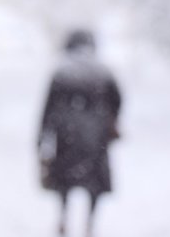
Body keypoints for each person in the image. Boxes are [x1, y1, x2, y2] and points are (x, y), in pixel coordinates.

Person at [38, 30, 121, 237]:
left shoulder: (62, 73)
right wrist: (110, 123)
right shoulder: (104, 72)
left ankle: (64, 217)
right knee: (94, 185)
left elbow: (48, 109)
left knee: (65, 183)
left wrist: (41, 138)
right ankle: (90, 224)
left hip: (67, 137)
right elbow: (118, 100)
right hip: (96, 138)